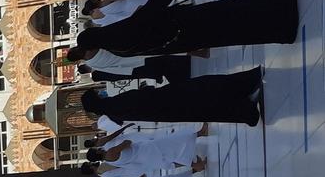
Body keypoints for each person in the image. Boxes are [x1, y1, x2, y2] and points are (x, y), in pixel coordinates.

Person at [77, 0, 299, 57]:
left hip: (184, 36)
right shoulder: (115, 38)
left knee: (233, 28)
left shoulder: (115, 46)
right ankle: (276, 8)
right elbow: (145, 21)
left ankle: (277, 24)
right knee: (232, 12)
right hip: (185, 25)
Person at [82, 69, 265, 126]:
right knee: (207, 89)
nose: (100, 93)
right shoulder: (114, 105)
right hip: (170, 100)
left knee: (209, 103)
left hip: (170, 107)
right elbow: (141, 101)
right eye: (97, 94)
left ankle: (245, 106)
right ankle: (245, 90)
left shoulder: (113, 111)